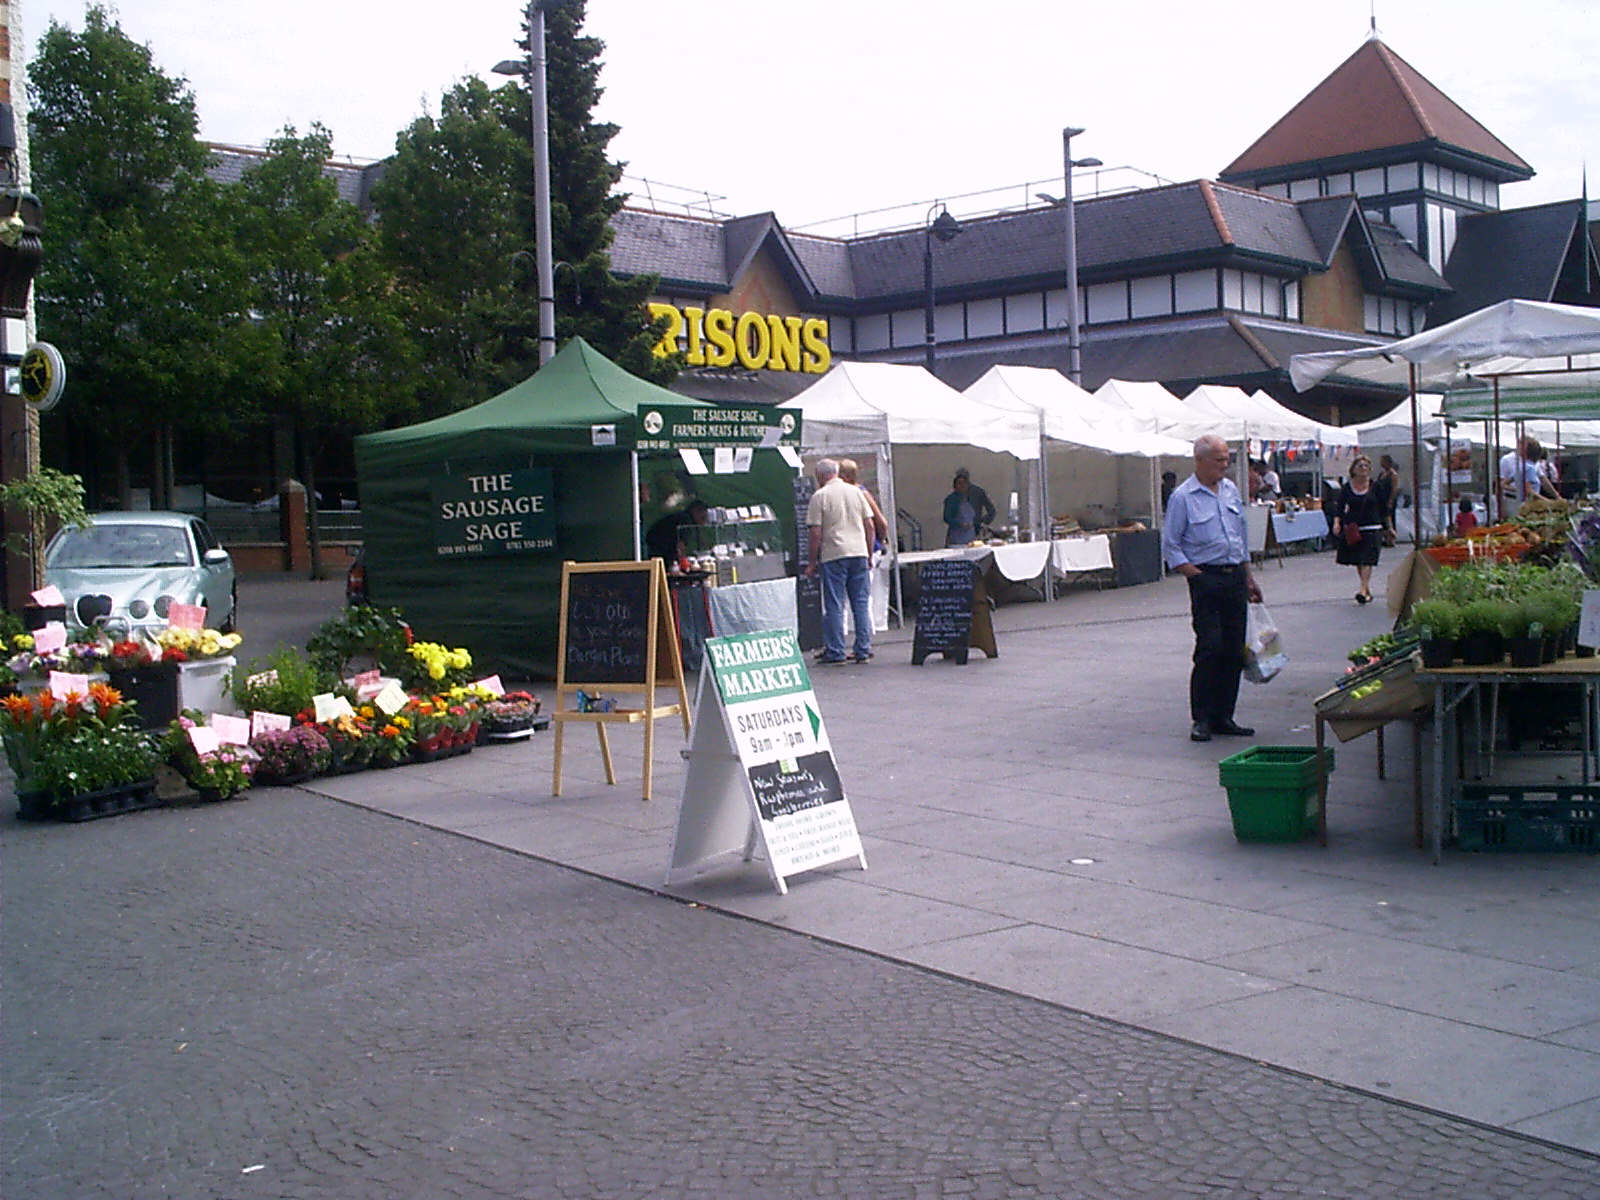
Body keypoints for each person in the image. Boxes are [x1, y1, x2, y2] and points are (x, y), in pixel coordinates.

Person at [1161, 434, 1262, 743]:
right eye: (1218, 460)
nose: (1224, 465)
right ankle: (1202, 717)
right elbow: (1171, 546)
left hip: (1234, 577)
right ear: (1200, 460)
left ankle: (1224, 715)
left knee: (1233, 649)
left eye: (1226, 459)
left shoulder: (1230, 491)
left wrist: (1249, 578)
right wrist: (1196, 575)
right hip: (1206, 578)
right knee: (1210, 648)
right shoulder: (1183, 497)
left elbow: (1240, 538)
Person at [805, 458, 876, 664]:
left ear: (819, 476)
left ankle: (836, 650)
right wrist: (869, 554)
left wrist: (811, 562)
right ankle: (863, 648)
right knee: (860, 603)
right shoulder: (856, 492)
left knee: (835, 604)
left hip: (834, 553)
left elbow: (815, 533)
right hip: (859, 552)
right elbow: (869, 526)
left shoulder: (820, 496)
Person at [1333, 455, 1385, 605]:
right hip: (1354, 528)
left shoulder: (1376, 486)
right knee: (1358, 560)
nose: (1363, 469)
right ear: (1353, 470)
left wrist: (1388, 527)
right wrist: (1337, 523)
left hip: (1373, 527)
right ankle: (1366, 591)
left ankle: (1362, 589)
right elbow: (1340, 507)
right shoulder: (1347, 488)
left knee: (1366, 559)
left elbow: (1383, 507)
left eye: (1366, 466)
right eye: (1360, 466)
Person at [839, 458, 888, 556]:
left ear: (847, 477)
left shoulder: (861, 493)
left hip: (869, 548)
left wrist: (880, 540)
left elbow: (881, 522)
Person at [1499, 437, 1558, 515]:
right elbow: (1529, 491)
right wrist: (1549, 502)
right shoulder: (1529, 467)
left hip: (1522, 503)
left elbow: (1503, 484)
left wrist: (1519, 489)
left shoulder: (1521, 466)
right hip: (1525, 504)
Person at [644, 499, 708, 565]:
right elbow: (680, 545)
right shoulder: (685, 521)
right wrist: (683, 563)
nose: (704, 521)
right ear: (696, 511)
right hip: (659, 549)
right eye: (703, 517)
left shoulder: (683, 518)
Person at [942, 468, 995, 547]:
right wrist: (958, 524)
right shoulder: (951, 499)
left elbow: (991, 511)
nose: (962, 486)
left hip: (974, 535)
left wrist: (982, 523)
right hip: (956, 538)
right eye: (959, 483)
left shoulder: (977, 493)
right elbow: (946, 517)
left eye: (964, 483)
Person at [1374, 454, 1401, 545]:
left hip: (1389, 499)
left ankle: (1391, 538)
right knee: (1382, 519)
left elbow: (1395, 488)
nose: (1381, 464)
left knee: (1390, 518)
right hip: (1381, 500)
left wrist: (1391, 500)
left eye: (1383, 461)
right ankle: (1385, 537)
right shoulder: (1381, 474)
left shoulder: (1393, 474)